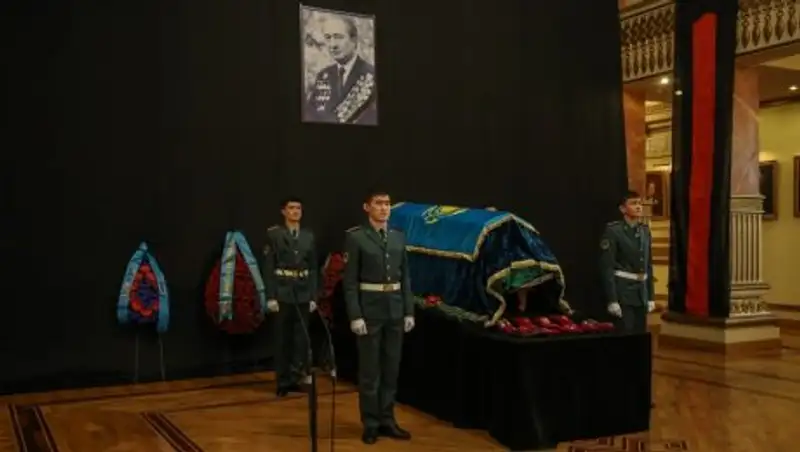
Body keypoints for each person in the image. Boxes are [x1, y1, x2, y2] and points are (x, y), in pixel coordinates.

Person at [343, 189, 414, 445]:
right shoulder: (356, 237)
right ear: (367, 207)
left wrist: (408, 310)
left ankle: (387, 419)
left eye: (387, 203)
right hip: (370, 311)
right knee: (370, 372)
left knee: (391, 369)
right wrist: (355, 315)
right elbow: (350, 281)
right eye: (378, 203)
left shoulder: (398, 236)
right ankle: (371, 423)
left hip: (394, 309)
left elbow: (405, 277)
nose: (384, 208)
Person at [263, 197, 319, 397]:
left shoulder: (308, 236)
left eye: (298, 208)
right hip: (283, 291)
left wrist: (313, 295)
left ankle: (296, 377)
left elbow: (313, 268)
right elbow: (269, 266)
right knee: (282, 339)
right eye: (291, 208)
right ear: (284, 211)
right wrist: (271, 296)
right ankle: (283, 381)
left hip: (302, 291)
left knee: (300, 339)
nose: (295, 211)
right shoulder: (274, 234)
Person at [304, 15, 377, 125]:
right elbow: (309, 115)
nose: (332, 45)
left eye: (338, 37)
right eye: (328, 37)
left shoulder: (371, 75)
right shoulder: (323, 75)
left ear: (354, 40)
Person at [599, 190, 655, 333]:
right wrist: (612, 300)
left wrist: (650, 296)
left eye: (640, 203)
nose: (639, 207)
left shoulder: (644, 231)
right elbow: (607, 267)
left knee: (641, 335)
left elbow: (648, 265)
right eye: (634, 203)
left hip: (641, 293)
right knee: (626, 334)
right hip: (623, 293)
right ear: (623, 209)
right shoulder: (614, 231)